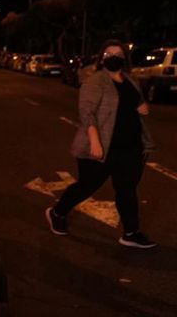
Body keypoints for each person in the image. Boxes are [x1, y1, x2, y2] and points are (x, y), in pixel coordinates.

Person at [46, 39, 157, 248]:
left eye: (117, 54)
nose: (113, 57)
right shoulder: (95, 81)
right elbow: (87, 113)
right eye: (108, 54)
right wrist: (96, 142)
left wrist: (142, 106)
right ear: (101, 58)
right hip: (103, 145)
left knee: (127, 190)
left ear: (125, 58)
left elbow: (134, 103)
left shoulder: (130, 80)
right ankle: (57, 212)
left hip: (130, 146)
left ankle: (131, 233)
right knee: (87, 185)